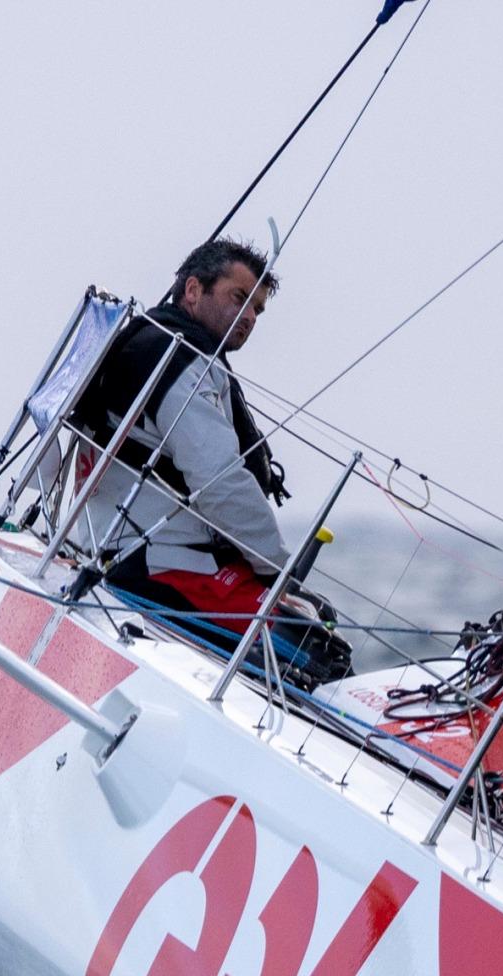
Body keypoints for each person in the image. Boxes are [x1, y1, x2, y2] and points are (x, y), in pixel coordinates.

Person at [70, 240, 339, 677]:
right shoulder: (183, 364)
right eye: (240, 299)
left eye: (258, 310)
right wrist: (276, 571)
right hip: (157, 564)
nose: (250, 318)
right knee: (315, 648)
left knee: (314, 616)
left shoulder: (143, 340)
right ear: (193, 291)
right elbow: (221, 483)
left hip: (108, 545)